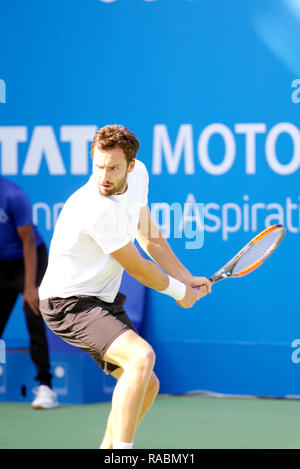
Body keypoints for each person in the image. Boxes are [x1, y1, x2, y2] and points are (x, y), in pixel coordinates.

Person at [39, 124, 211, 449]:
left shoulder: (139, 177)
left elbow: (147, 232)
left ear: (131, 166)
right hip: (68, 303)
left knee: (147, 385)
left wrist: (184, 276)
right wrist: (179, 292)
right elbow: (137, 267)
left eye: (114, 167)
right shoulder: (95, 206)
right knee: (142, 357)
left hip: (100, 300)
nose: (104, 175)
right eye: (99, 165)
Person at [0, 177, 58, 409]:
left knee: (33, 314)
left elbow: (28, 242)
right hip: (2, 265)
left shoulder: (12, 195)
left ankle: (46, 387)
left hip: (30, 258)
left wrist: (30, 287)